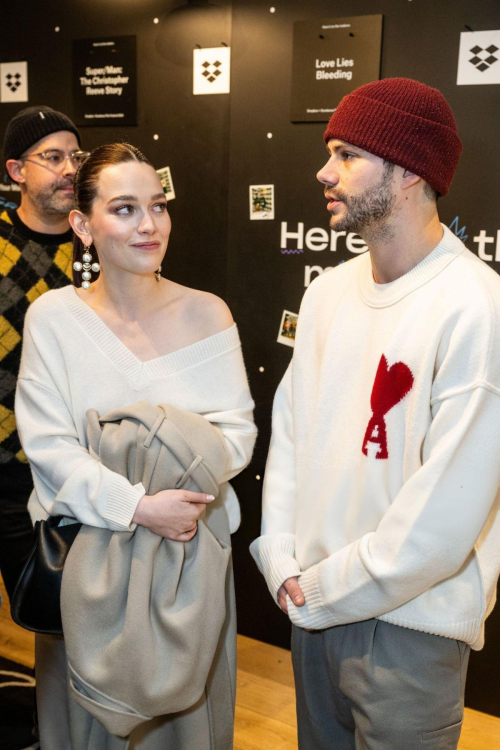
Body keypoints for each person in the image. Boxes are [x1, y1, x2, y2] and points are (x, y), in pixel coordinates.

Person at [250, 77, 500, 750]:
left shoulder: (476, 306)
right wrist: (279, 557)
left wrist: (321, 587)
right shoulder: (328, 293)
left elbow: (443, 520)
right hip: (312, 615)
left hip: (412, 630)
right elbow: (293, 438)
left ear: (411, 171)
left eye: (347, 154)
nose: (323, 172)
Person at [15, 142, 257, 748]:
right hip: (85, 563)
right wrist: (139, 505)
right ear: (83, 225)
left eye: (158, 206)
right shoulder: (55, 319)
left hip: (188, 564)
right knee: (82, 729)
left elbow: (238, 436)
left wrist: (157, 472)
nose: (149, 225)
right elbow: (48, 446)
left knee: (183, 728)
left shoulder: (209, 314)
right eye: (124, 208)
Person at [0, 105, 86, 602]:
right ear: (17, 171)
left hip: (70, 469)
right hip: (4, 467)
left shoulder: (100, 244)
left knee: (61, 611)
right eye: (53, 157)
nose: (70, 169)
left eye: (77, 156)